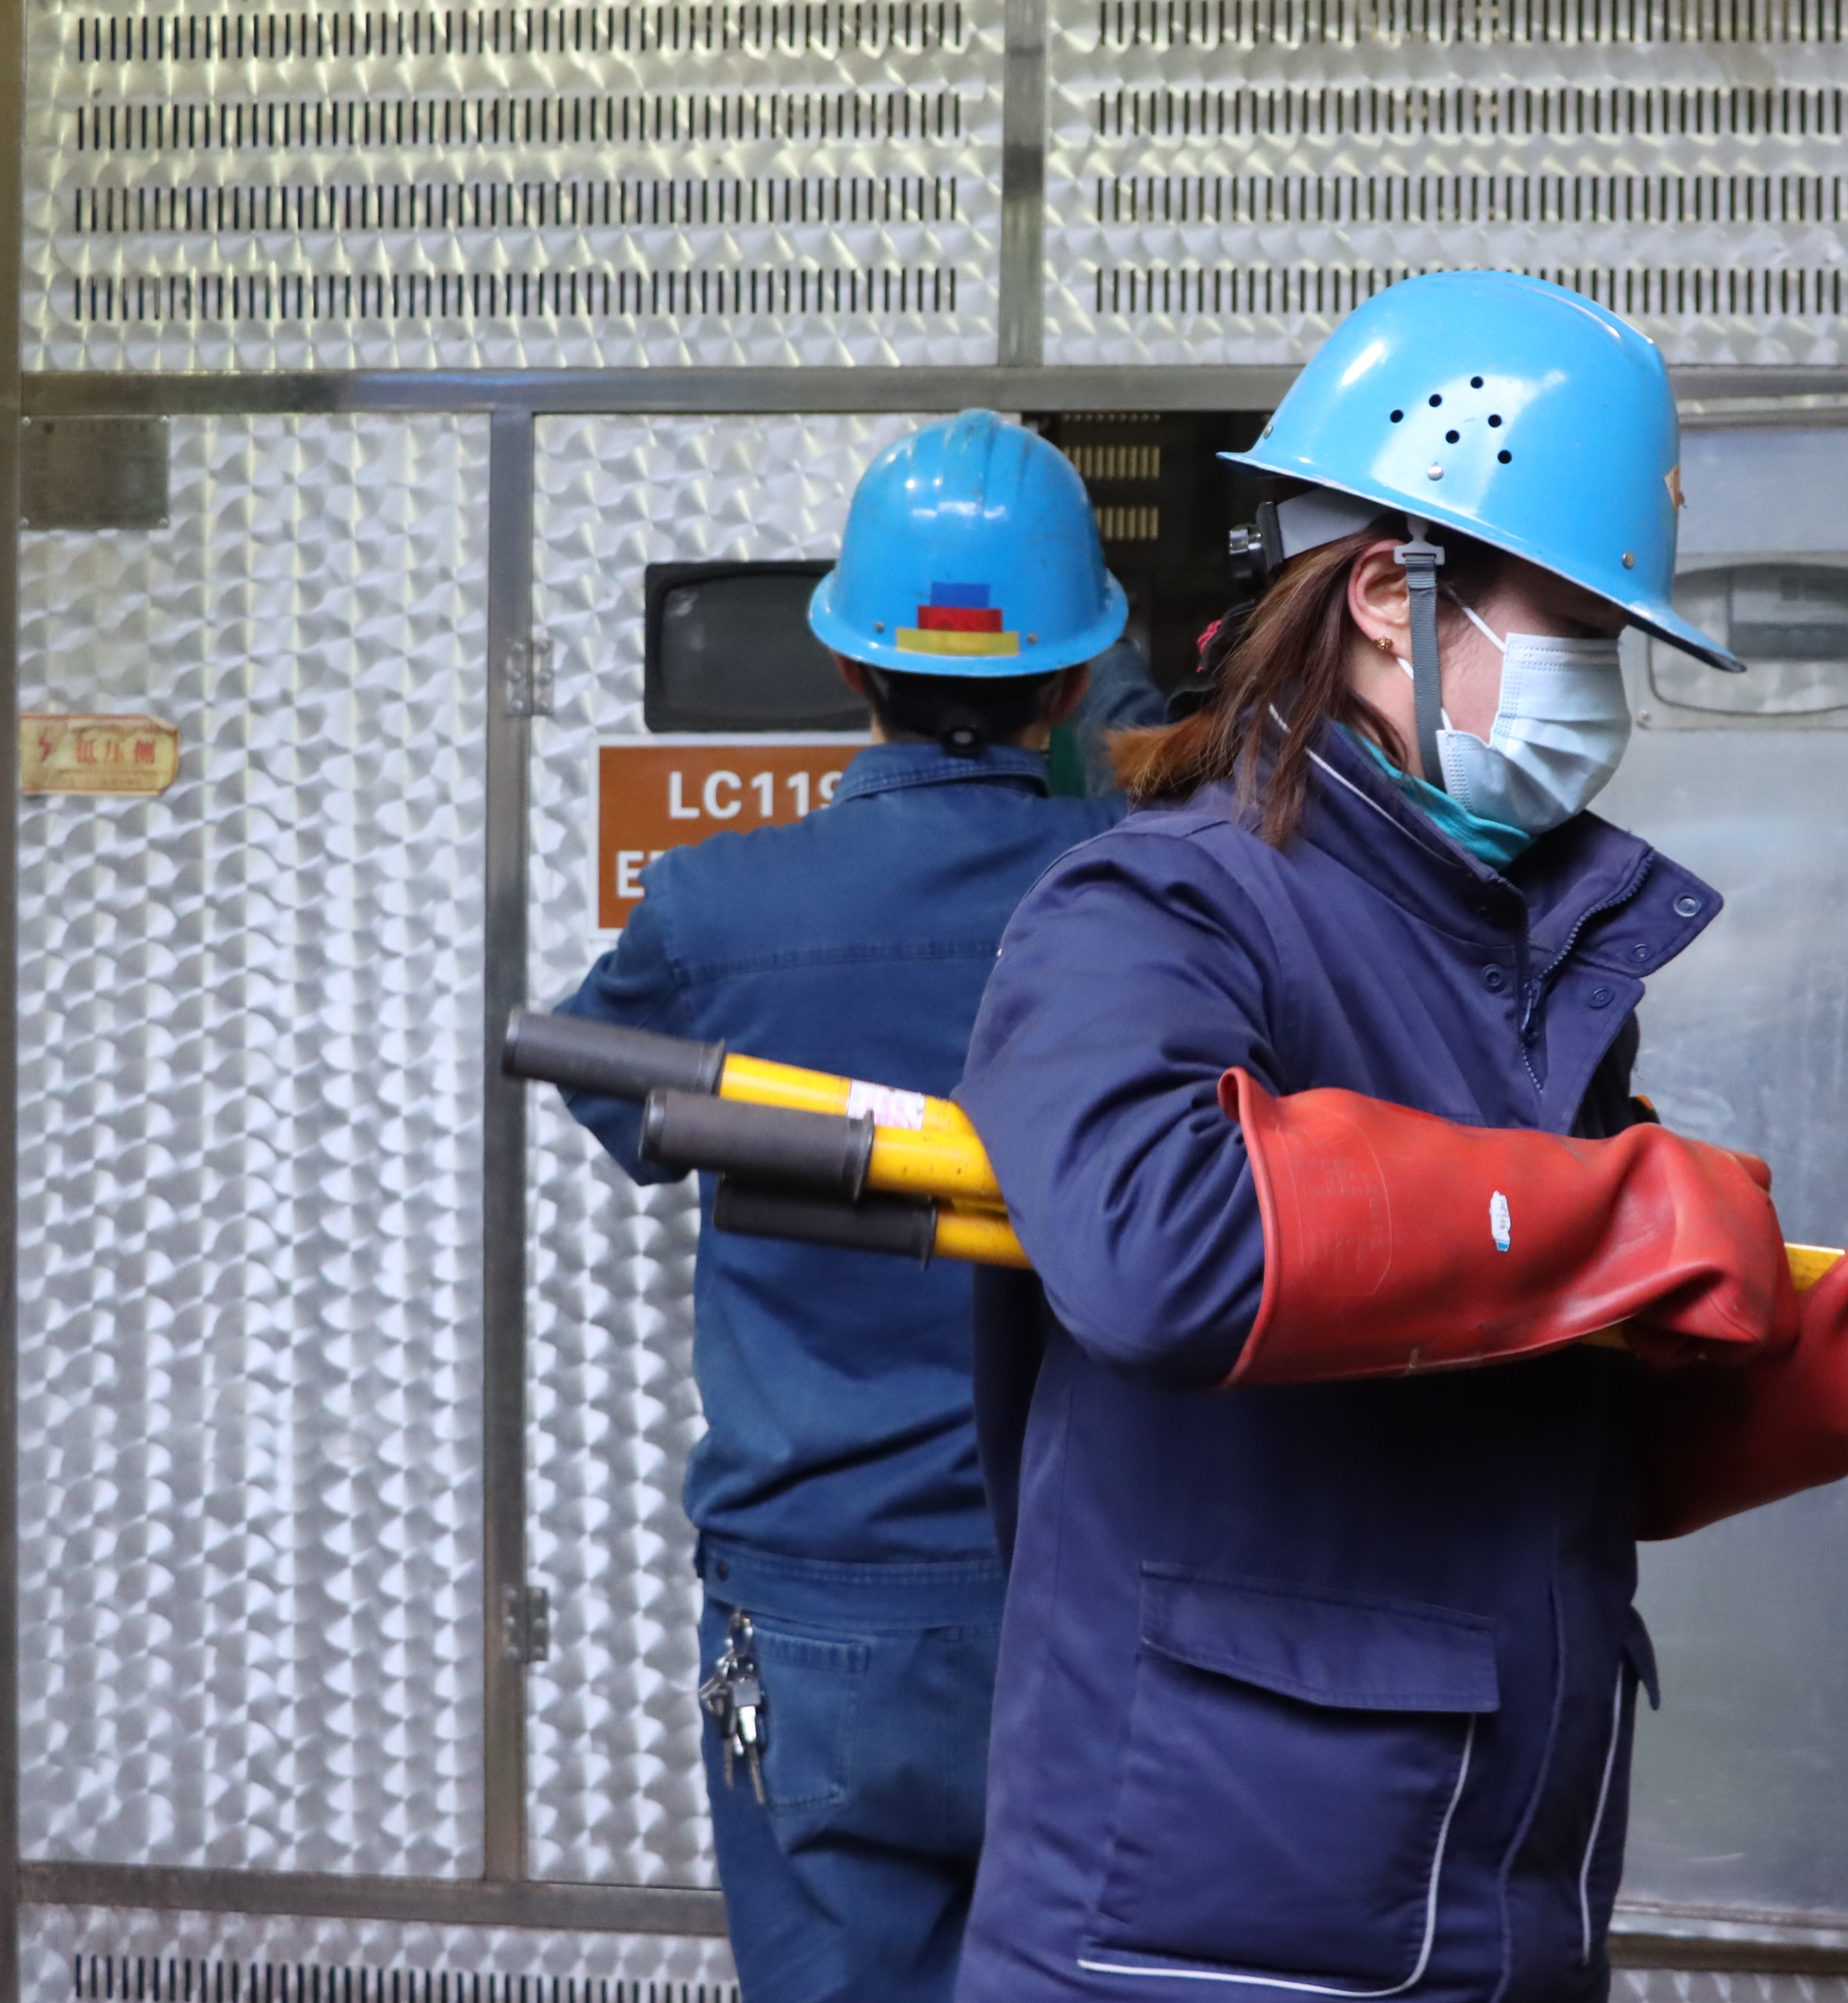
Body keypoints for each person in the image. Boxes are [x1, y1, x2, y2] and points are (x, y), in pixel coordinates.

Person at [949, 272, 1848, 2003]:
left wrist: (1814, 1405)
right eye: (1571, 618)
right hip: (1193, 1939)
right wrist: (1614, 1212)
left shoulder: (1514, 953)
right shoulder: (1154, 905)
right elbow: (1163, 1244)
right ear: (1389, 597)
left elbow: (1505, 1436)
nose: (1599, 680)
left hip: (1479, 1911)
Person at [547, 411, 1134, 2003]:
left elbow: (621, 1099)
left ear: (851, 667)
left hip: (819, 1589)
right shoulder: (1152, 887)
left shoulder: (713, 909)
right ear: (1077, 680)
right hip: (1096, 1585)